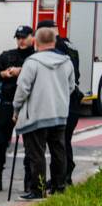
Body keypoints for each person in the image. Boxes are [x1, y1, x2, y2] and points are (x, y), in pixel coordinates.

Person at [12, 26, 75, 199]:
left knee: (36, 154)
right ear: (54, 41)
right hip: (59, 114)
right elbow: (70, 87)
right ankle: (59, 187)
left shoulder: (32, 62)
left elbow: (22, 89)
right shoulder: (67, 62)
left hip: (36, 116)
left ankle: (38, 191)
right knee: (58, 151)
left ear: (36, 42)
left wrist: (16, 109)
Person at [0, 25, 35, 193]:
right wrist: (3, 74)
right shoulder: (7, 56)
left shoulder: (36, 57)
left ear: (32, 37)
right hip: (7, 105)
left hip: (28, 105)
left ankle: (29, 182)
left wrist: (22, 72)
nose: (21, 40)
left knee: (31, 145)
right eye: (18, 37)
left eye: (24, 37)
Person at [36, 20, 81, 186]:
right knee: (63, 141)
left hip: (63, 100)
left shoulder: (57, 48)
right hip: (72, 99)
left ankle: (61, 178)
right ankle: (62, 176)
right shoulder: (69, 44)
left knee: (59, 143)